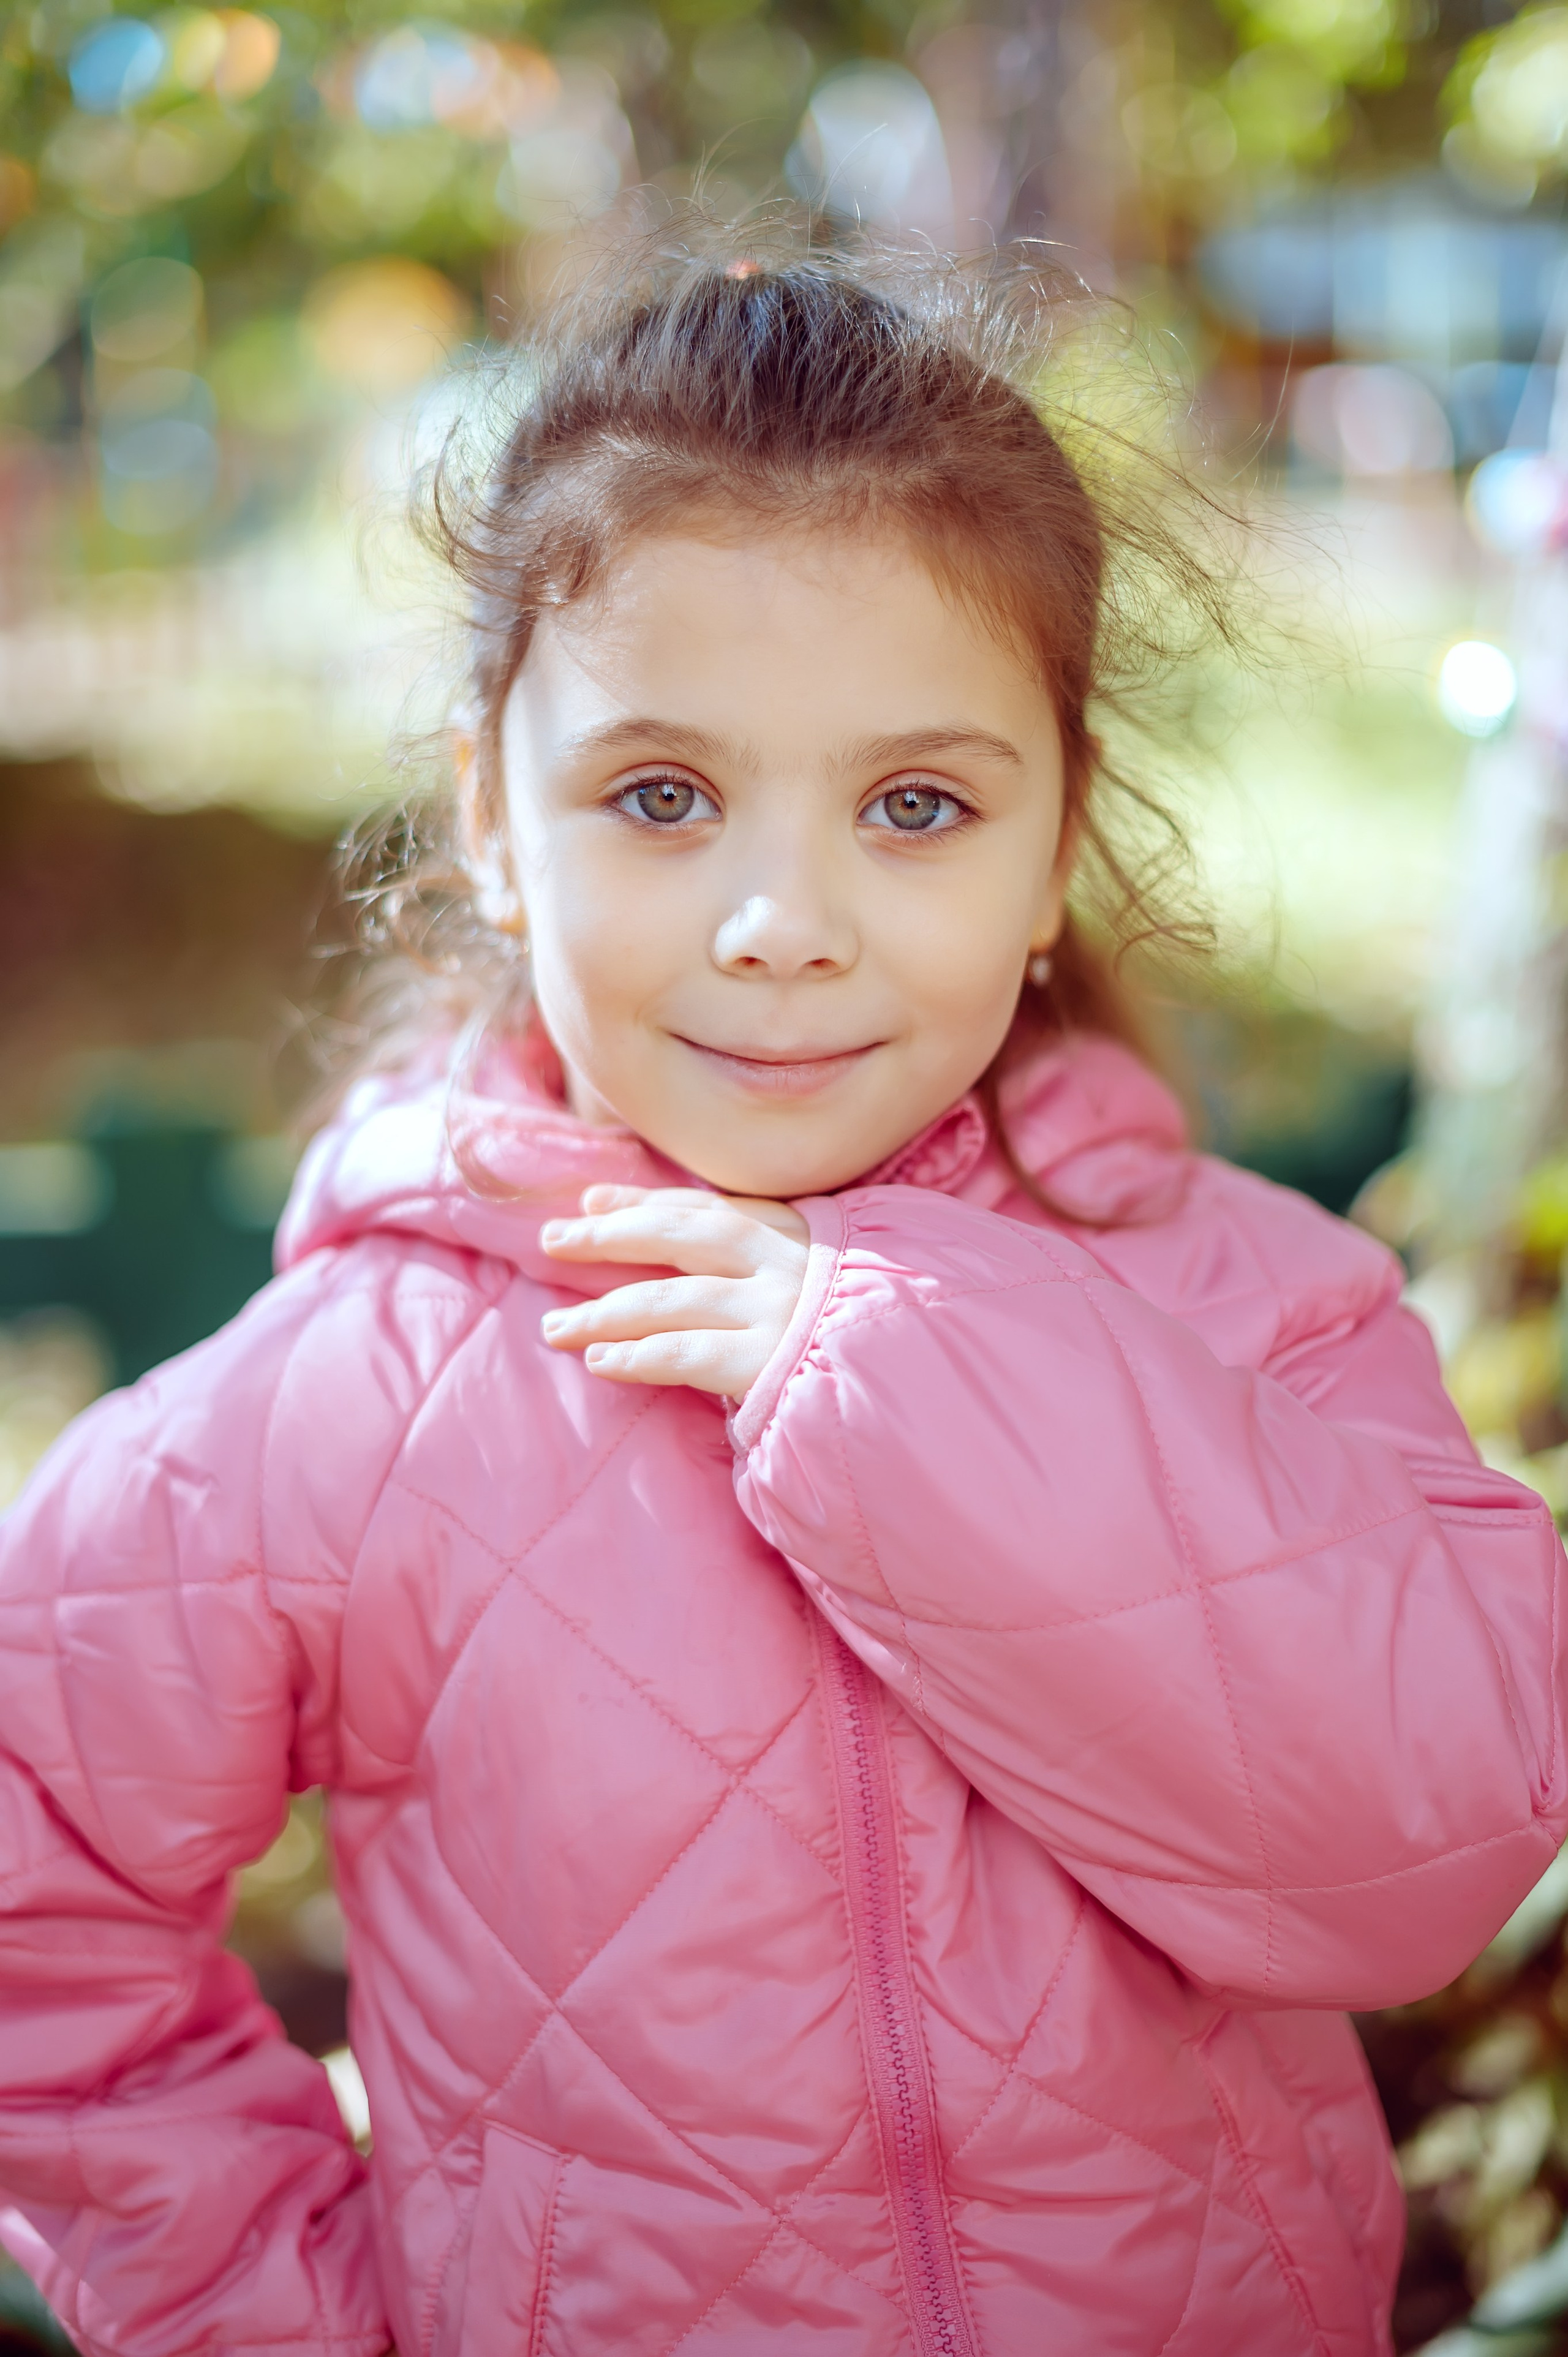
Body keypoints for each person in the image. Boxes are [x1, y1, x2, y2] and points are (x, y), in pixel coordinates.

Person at [0, 235, 1562, 2357]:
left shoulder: (1256, 1315)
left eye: (916, 807)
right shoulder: (350, 1400)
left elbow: (1436, 1859)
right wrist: (286, 2313)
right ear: (491, 818)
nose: (781, 922)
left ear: (1051, 857)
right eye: (662, 795)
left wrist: (897, 1363)